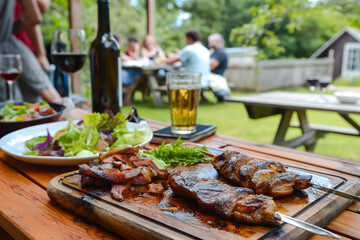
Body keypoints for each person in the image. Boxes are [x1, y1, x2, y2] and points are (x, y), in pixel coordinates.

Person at [0, 0, 61, 103]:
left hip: (18, 47)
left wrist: (41, 54)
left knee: (18, 105)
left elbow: (38, 11)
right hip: (16, 47)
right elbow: (35, 15)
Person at [114, 34, 142, 105]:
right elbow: (133, 58)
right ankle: (125, 99)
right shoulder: (117, 51)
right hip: (117, 74)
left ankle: (125, 98)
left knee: (138, 76)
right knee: (137, 78)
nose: (122, 43)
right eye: (121, 41)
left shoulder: (116, 51)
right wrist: (137, 49)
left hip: (118, 73)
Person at [207, 33, 231, 102]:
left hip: (216, 77)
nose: (209, 42)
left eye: (211, 41)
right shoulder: (214, 52)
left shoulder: (220, 53)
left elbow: (211, 66)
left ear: (218, 42)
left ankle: (222, 94)